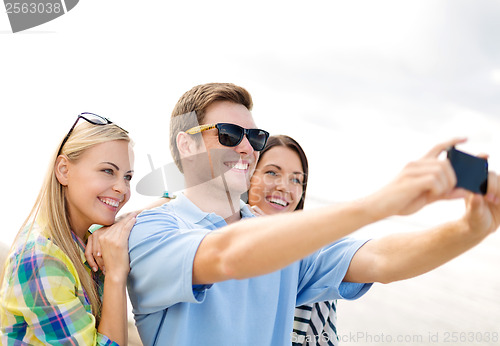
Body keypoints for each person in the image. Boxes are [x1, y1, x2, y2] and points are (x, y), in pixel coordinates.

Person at [125, 83, 500, 346]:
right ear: (186, 143)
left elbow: (382, 259)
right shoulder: (152, 229)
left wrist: (470, 230)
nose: (246, 148)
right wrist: (380, 202)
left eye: (254, 138)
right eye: (227, 133)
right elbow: (226, 257)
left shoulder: (283, 241)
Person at [0, 113, 136, 345]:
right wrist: (115, 274)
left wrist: (122, 221)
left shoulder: (83, 239)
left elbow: (168, 204)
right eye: (107, 171)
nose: (121, 188)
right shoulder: (40, 257)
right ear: (64, 170)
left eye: (128, 177)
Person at [248, 134, 339, 345]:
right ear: (249, 176)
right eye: (272, 172)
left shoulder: (311, 267)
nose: (284, 187)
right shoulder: (210, 239)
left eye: (296, 179)